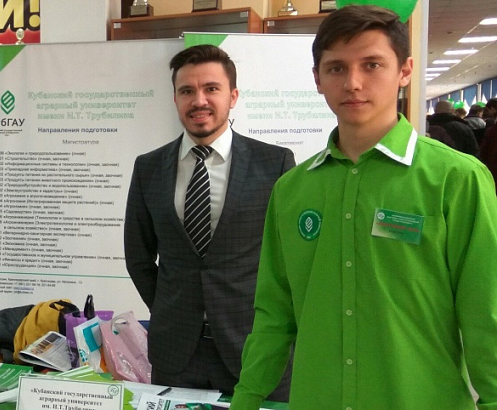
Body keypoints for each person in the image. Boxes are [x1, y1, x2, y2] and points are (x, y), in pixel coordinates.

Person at [231, 6, 497, 409]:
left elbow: (485, 316)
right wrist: (247, 399)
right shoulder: (291, 190)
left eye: (372, 65)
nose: (353, 83)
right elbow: (273, 315)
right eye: (336, 68)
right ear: (317, 79)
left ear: (404, 71)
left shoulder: (456, 179)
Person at [123, 44, 294, 399]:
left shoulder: (274, 164)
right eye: (187, 91)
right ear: (175, 99)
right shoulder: (149, 167)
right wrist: (170, 309)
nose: (198, 100)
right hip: (176, 353)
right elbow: (139, 257)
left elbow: (291, 261)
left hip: (254, 348)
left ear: (233, 96)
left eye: (211, 88)